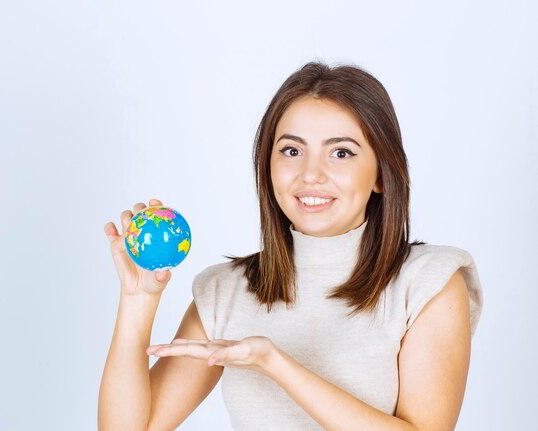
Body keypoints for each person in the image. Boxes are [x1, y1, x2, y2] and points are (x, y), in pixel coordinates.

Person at [98, 61, 484, 431]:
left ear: (382, 174)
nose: (311, 174)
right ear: (268, 165)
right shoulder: (227, 291)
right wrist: (138, 299)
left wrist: (276, 364)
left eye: (341, 152)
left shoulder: (429, 282)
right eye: (292, 151)